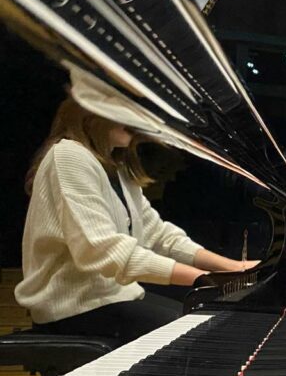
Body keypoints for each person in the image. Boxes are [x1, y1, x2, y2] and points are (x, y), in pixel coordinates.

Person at [16, 96, 256, 345]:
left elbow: (160, 235)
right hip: (74, 309)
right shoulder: (68, 155)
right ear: (95, 111)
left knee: (205, 323)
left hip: (114, 298)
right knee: (200, 337)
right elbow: (102, 250)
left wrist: (233, 267)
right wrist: (204, 278)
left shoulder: (118, 169)